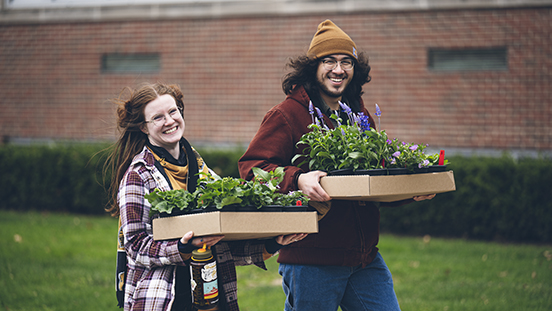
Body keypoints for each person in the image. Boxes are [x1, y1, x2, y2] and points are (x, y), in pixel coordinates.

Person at [238, 20, 435, 311]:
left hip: (364, 258)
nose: (338, 69)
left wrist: (410, 190)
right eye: (328, 61)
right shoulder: (286, 114)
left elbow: (371, 179)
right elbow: (252, 168)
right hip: (312, 259)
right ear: (313, 68)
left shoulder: (358, 114)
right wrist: (298, 179)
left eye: (346, 61)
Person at [105, 82, 306, 311]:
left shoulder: (199, 168)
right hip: (165, 300)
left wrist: (272, 242)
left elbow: (222, 243)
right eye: (158, 118)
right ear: (143, 127)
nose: (169, 121)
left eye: (173, 111)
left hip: (212, 298)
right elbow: (135, 245)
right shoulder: (138, 175)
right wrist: (182, 248)